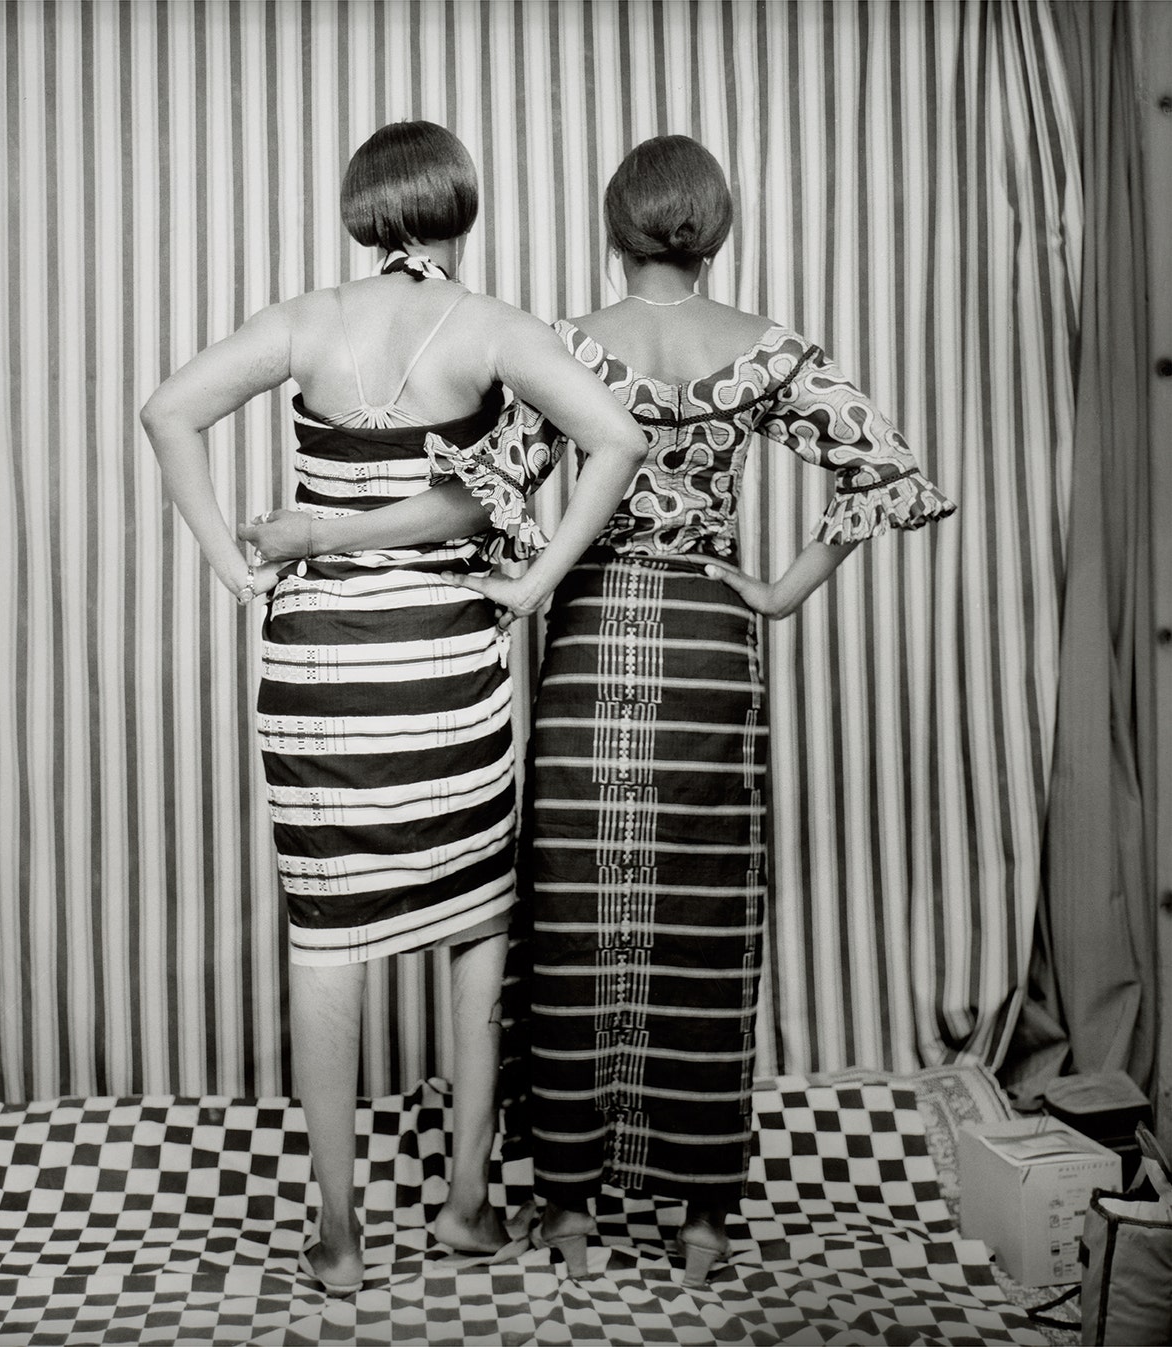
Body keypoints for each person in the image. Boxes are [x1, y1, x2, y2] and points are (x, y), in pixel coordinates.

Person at [274, 134, 956, 1287]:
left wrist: (359, 541)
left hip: (590, 645)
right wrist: (781, 590)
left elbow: (487, 492)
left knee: (572, 926)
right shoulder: (771, 349)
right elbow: (881, 467)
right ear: (717, 231)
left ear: (612, 231)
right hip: (710, 652)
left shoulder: (573, 346)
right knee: (706, 923)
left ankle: (572, 1212)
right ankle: (702, 1221)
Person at [140, 120, 646, 1297]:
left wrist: (234, 568)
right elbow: (616, 439)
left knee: (328, 937)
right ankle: (465, 1208)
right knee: (478, 926)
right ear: (460, 206)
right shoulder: (494, 328)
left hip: (319, 662)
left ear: (363, 211)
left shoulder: (306, 320)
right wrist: (536, 580)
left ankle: (337, 1236)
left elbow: (168, 410)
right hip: (445, 666)